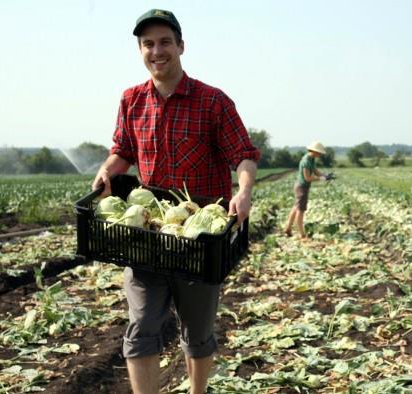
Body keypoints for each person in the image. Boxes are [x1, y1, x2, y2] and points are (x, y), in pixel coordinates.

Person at [91, 9, 259, 394]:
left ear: (181, 46)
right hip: (152, 232)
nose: (157, 50)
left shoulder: (213, 102)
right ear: (140, 51)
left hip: (200, 237)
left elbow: (243, 155)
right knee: (141, 327)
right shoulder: (131, 100)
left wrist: (244, 190)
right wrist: (107, 171)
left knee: (197, 333)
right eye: (148, 44)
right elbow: (122, 151)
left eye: (165, 41)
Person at [284, 142, 331, 238]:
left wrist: (324, 175)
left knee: (296, 207)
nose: (320, 154)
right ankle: (302, 234)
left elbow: (315, 170)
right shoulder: (306, 161)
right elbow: (307, 178)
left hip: (302, 186)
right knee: (300, 210)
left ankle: (288, 228)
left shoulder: (311, 158)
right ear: (314, 151)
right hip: (302, 187)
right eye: (319, 153)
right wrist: (320, 179)